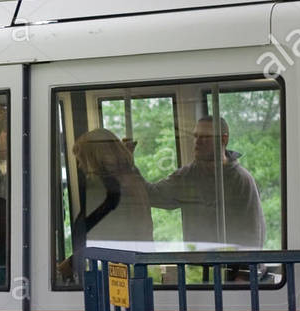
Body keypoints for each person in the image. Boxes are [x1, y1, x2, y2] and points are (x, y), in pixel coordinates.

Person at [146, 115, 265, 248]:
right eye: (196, 136)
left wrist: (238, 268)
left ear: (224, 139)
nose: (198, 142)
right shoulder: (187, 176)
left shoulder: (241, 180)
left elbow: (253, 236)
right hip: (198, 265)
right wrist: (126, 167)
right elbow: (152, 195)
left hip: (233, 265)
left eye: (205, 137)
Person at [59, 128, 153, 282]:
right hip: (129, 268)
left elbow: (105, 236)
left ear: (95, 158)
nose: (80, 166)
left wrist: (69, 265)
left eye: (81, 159)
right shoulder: (131, 180)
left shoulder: (106, 189)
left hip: (113, 273)